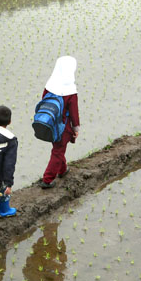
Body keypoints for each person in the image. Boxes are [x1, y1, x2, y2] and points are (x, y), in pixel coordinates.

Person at [40, 55, 80, 188]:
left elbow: (44, 102)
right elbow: (74, 113)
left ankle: (63, 170)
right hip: (63, 127)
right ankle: (47, 179)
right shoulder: (70, 91)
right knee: (58, 151)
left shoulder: (50, 85)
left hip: (49, 123)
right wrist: (76, 129)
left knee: (58, 148)